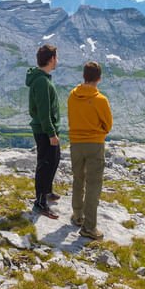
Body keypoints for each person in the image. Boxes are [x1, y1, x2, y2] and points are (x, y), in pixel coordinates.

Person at [67, 60, 113, 240]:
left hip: (75, 143)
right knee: (93, 184)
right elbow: (108, 125)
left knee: (78, 178)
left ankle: (77, 215)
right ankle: (89, 227)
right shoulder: (100, 100)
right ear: (99, 78)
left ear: (84, 76)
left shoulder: (72, 95)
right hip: (94, 144)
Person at [26, 43, 61, 219]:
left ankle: (47, 191)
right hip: (44, 130)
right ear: (51, 59)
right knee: (45, 164)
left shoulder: (44, 78)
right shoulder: (41, 81)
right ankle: (40, 202)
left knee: (54, 159)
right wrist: (51, 133)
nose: (57, 61)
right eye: (56, 57)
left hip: (47, 129)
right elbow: (43, 111)